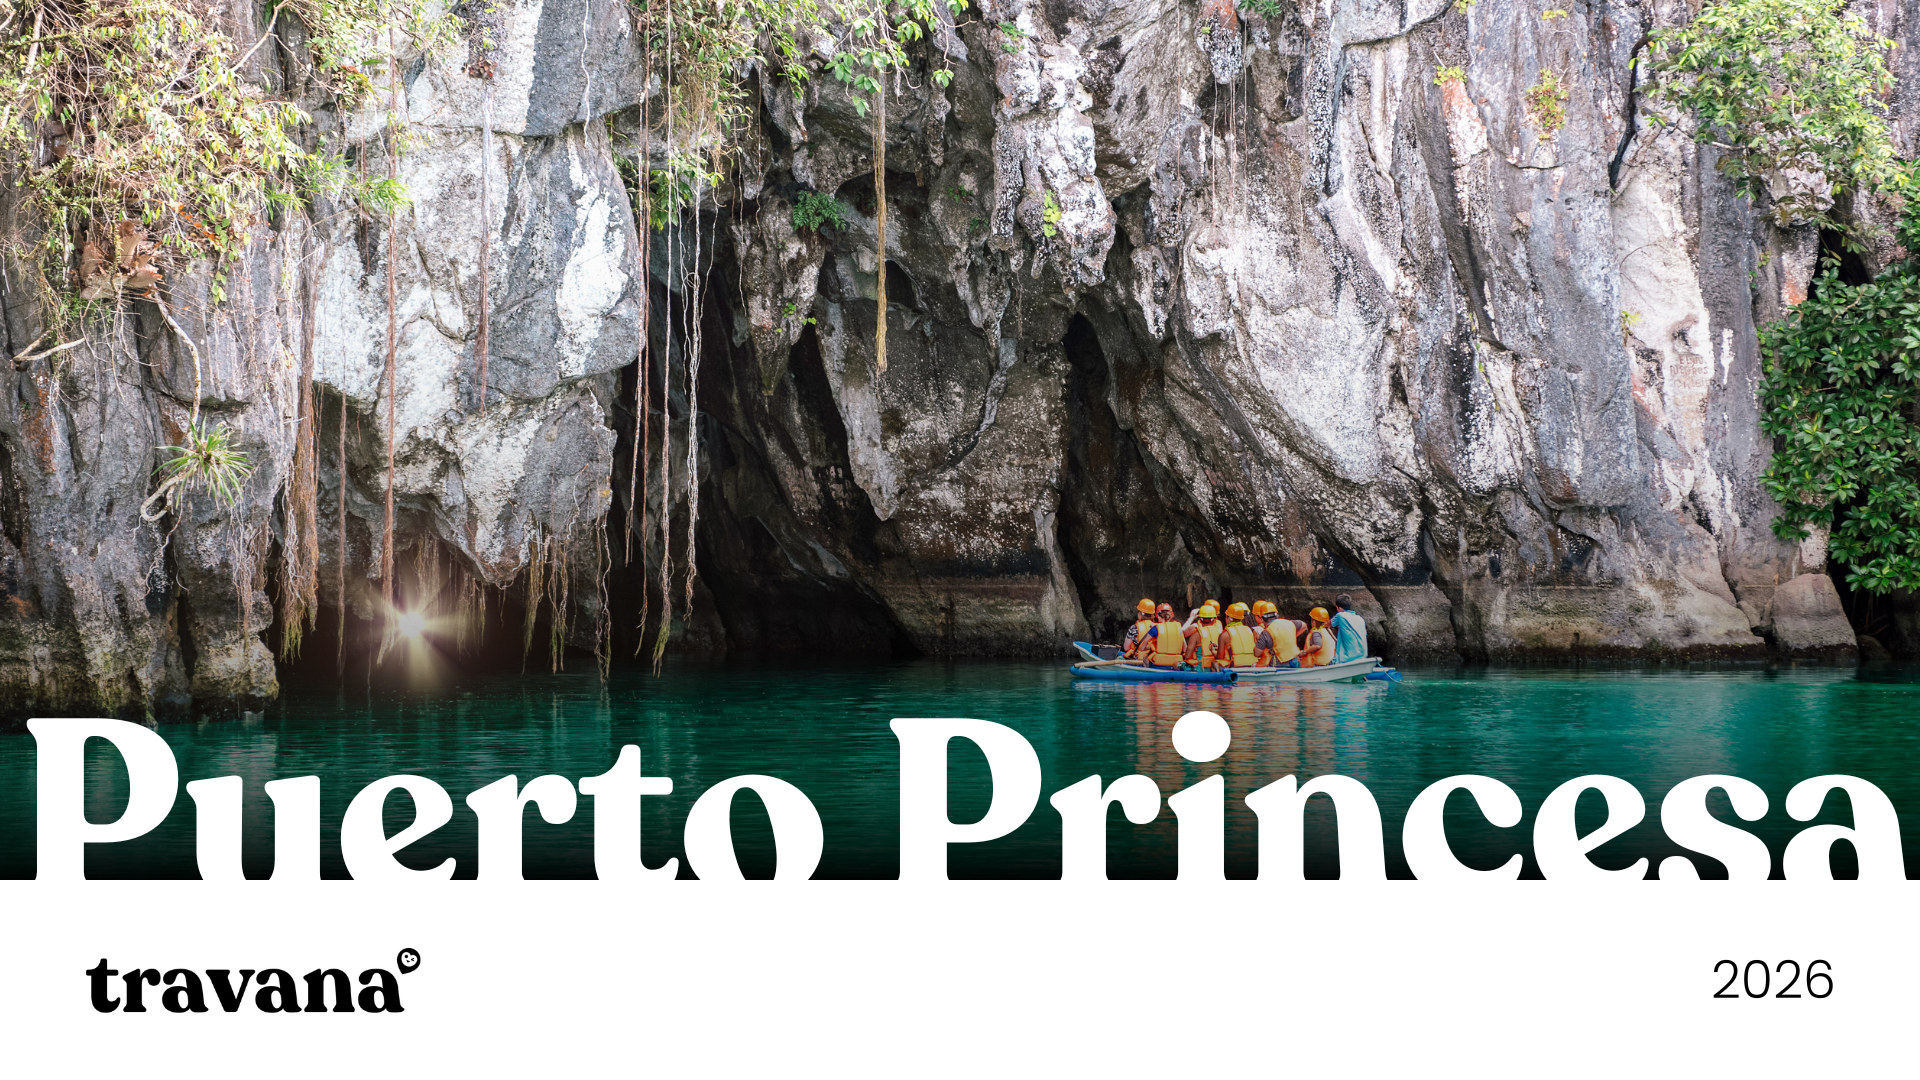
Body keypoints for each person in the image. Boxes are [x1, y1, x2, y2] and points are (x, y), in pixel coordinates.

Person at [1252, 601, 1301, 667]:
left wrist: (1259, 640)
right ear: (1277, 615)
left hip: (1279, 666)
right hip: (1296, 662)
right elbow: (1303, 625)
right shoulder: (1290, 623)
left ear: (1263, 619)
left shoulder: (1266, 633)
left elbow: (1257, 653)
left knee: (1254, 666)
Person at [1143, 603, 1191, 668]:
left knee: (1145, 657)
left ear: (1158, 616)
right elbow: (1185, 649)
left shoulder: (1155, 628)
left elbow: (1142, 648)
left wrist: (1150, 647)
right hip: (1175, 664)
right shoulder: (1178, 628)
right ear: (1171, 616)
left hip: (1158, 664)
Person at [1218, 602, 1259, 668]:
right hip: (1252, 664)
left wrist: (1213, 651)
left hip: (1235, 666)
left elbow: (1220, 657)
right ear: (1241, 618)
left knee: (1214, 663)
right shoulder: (1250, 630)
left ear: (1228, 619)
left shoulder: (1224, 635)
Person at [1330, 593, 1369, 663]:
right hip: (1363, 657)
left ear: (1338, 608)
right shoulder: (1360, 618)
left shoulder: (1340, 616)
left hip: (1346, 659)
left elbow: (1328, 624)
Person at [1191, 603, 1224, 669]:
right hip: (1214, 666)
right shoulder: (1222, 633)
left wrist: (1191, 618)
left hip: (1200, 667)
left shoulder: (1196, 631)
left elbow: (1187, 655)